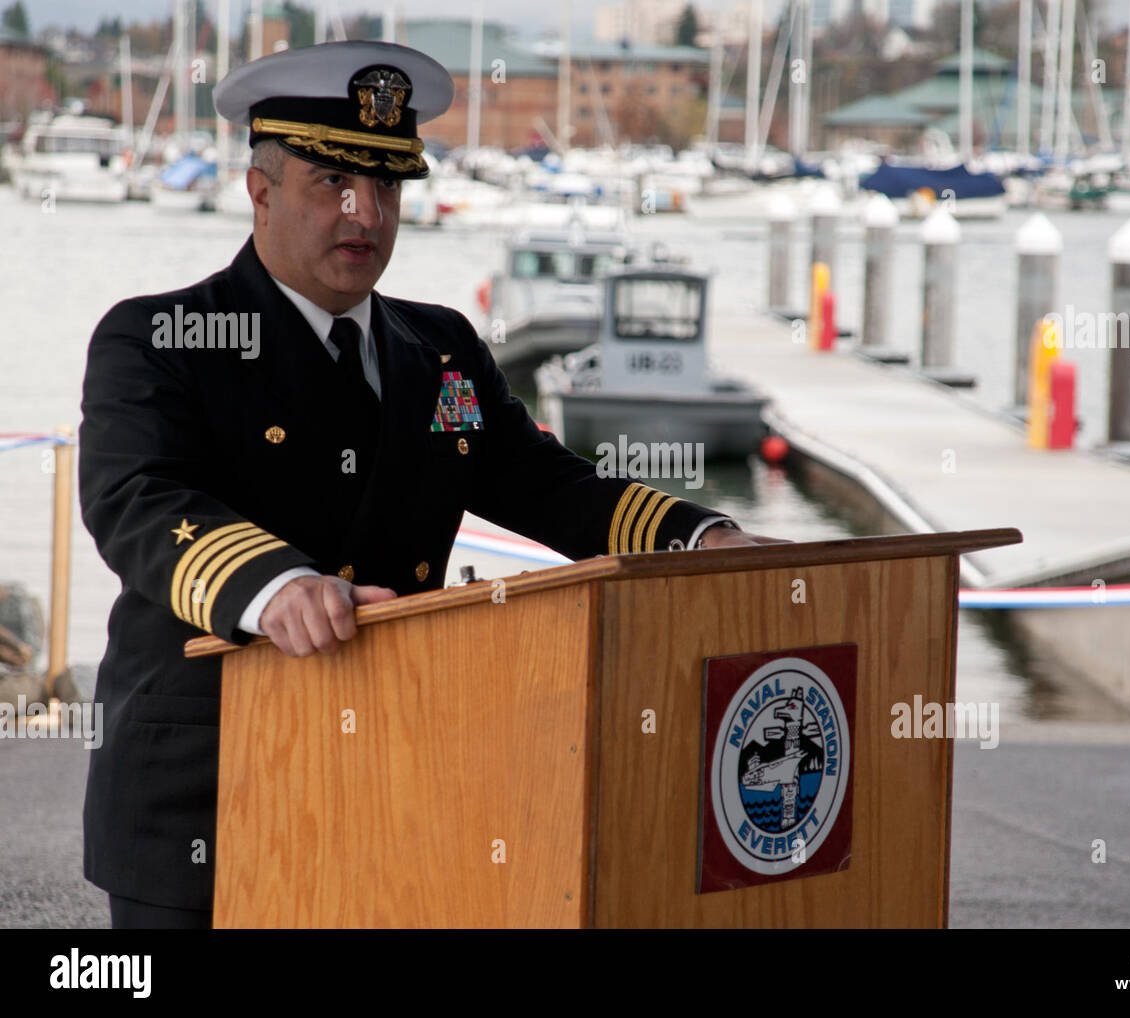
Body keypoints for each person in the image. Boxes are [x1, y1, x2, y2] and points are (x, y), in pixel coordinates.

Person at [78, 40, 781, 930]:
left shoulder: (441, 348)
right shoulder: (162, 338)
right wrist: (276, 586)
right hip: (209, 784)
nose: (364, 211)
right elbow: (136, 499)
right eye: (332, 181)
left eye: (388, 185)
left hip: (396, 771)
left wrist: (695, 538)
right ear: (259, 191)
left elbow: (544, 484)